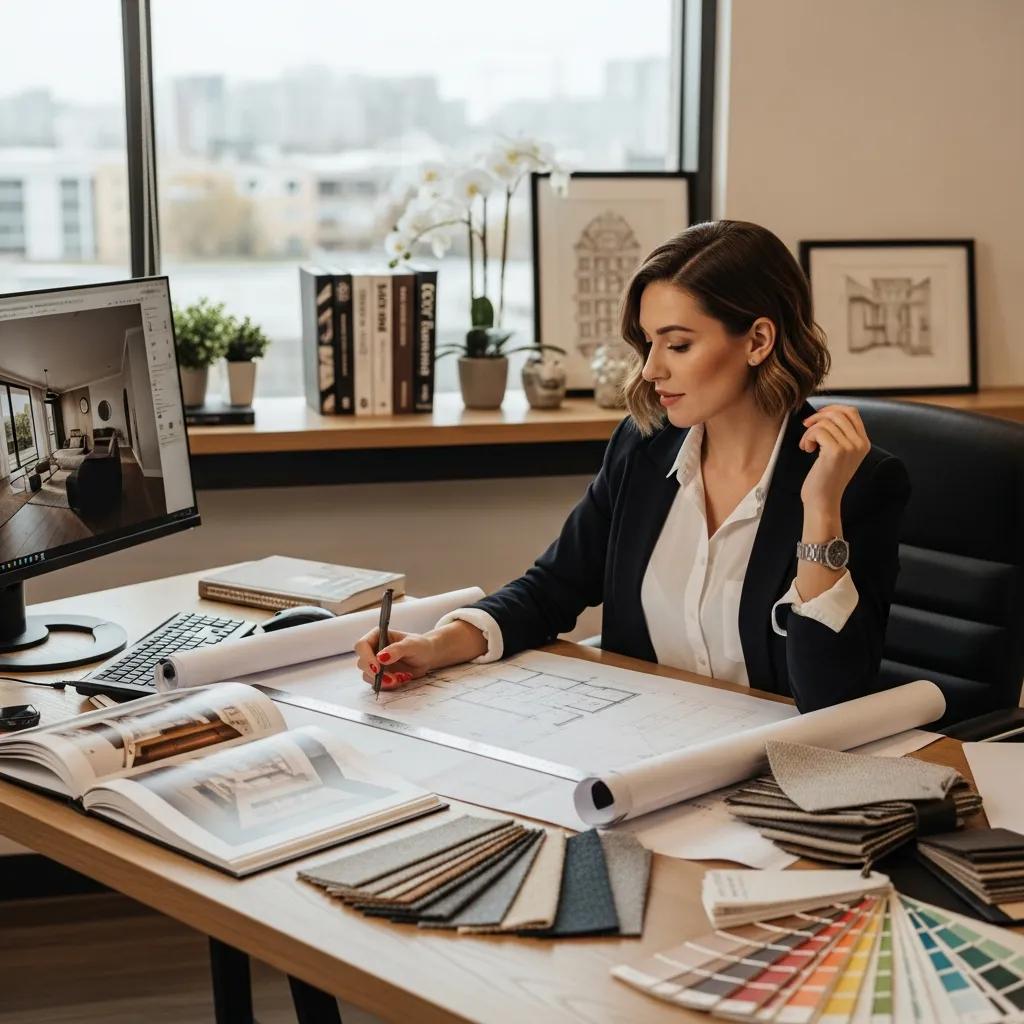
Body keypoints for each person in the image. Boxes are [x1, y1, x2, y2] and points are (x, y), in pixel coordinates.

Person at [354, 220, 910, 712]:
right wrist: (435, 645)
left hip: (770, 770)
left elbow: (828, 697)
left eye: (679, 345)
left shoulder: (857, 485)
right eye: (648, 343)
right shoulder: (644, 447)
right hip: (641, 753)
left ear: (759, 340)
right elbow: (554, 586)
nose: (649, 370)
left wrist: (820, 512)